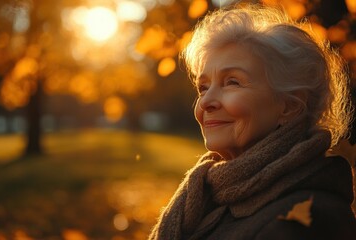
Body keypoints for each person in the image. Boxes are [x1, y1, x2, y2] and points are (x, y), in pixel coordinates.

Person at [149, 4, 356, 240]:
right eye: (203, 87)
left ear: (289, 106)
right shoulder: (207, 198)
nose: (206, 102)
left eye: (232, 82)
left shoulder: (306, 220)